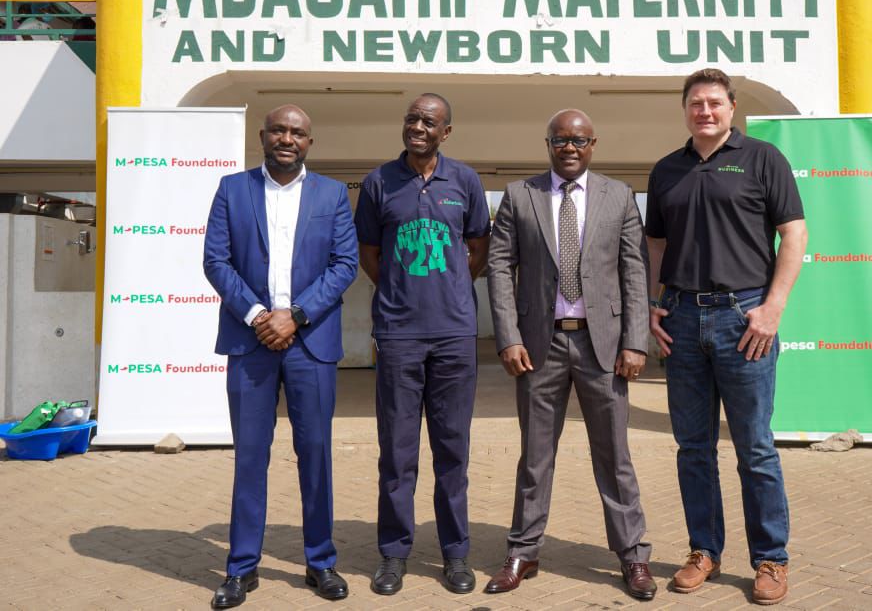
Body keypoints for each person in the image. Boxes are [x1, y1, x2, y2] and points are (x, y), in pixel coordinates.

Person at [645, 68, 807, 605]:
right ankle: (704, 551)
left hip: (744, 320)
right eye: (696, 103)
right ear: (685, 109)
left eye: (715, 102)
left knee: (755, 448)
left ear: (732, 108)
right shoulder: (667, 170)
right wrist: (654, 302)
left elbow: (794, 233)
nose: (705, 111)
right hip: (682, 319)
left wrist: (773, 308)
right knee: (693, 448)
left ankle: (771, 559)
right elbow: (656, 245)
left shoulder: (762, 159)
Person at [485, 109, 657, 600]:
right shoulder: (520, 195)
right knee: (535, 457)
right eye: (560, 139)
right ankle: (523, 550)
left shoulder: (618, 196)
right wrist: (508, 336)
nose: (570, 147)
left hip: (603, 347)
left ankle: (633, 555)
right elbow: (499, 267)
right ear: (548, 144)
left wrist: (635, 341)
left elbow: (635, 272)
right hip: (539, 347)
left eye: (579, 140)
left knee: (615, 456)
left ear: (592, 144)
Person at [203, 104, 358, 608]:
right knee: (251, 456)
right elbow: (216, 261)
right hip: (251, 344)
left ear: (309, 142)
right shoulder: (233, 189)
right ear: (263, 136)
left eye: (297, 132)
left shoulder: (332, 194)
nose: (287, 139)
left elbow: (345, 264)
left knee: (315, 454)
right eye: (278, 130)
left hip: (310, 344)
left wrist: (297, 315)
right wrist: (258, 316)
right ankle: (241, 568)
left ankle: (321, 562)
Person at [353, 93, 490, 596]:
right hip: (398, 334)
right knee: (397, 451)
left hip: (454, 334)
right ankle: (393, 553)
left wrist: (450, 289)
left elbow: (478, 247)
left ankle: (455, 553)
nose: (418, 127)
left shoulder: (466, 181)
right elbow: (369, 253)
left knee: (452, 450)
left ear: (445, 132)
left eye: (429, 122)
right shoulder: (378, 182)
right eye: (412, 118)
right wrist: (399, 291)